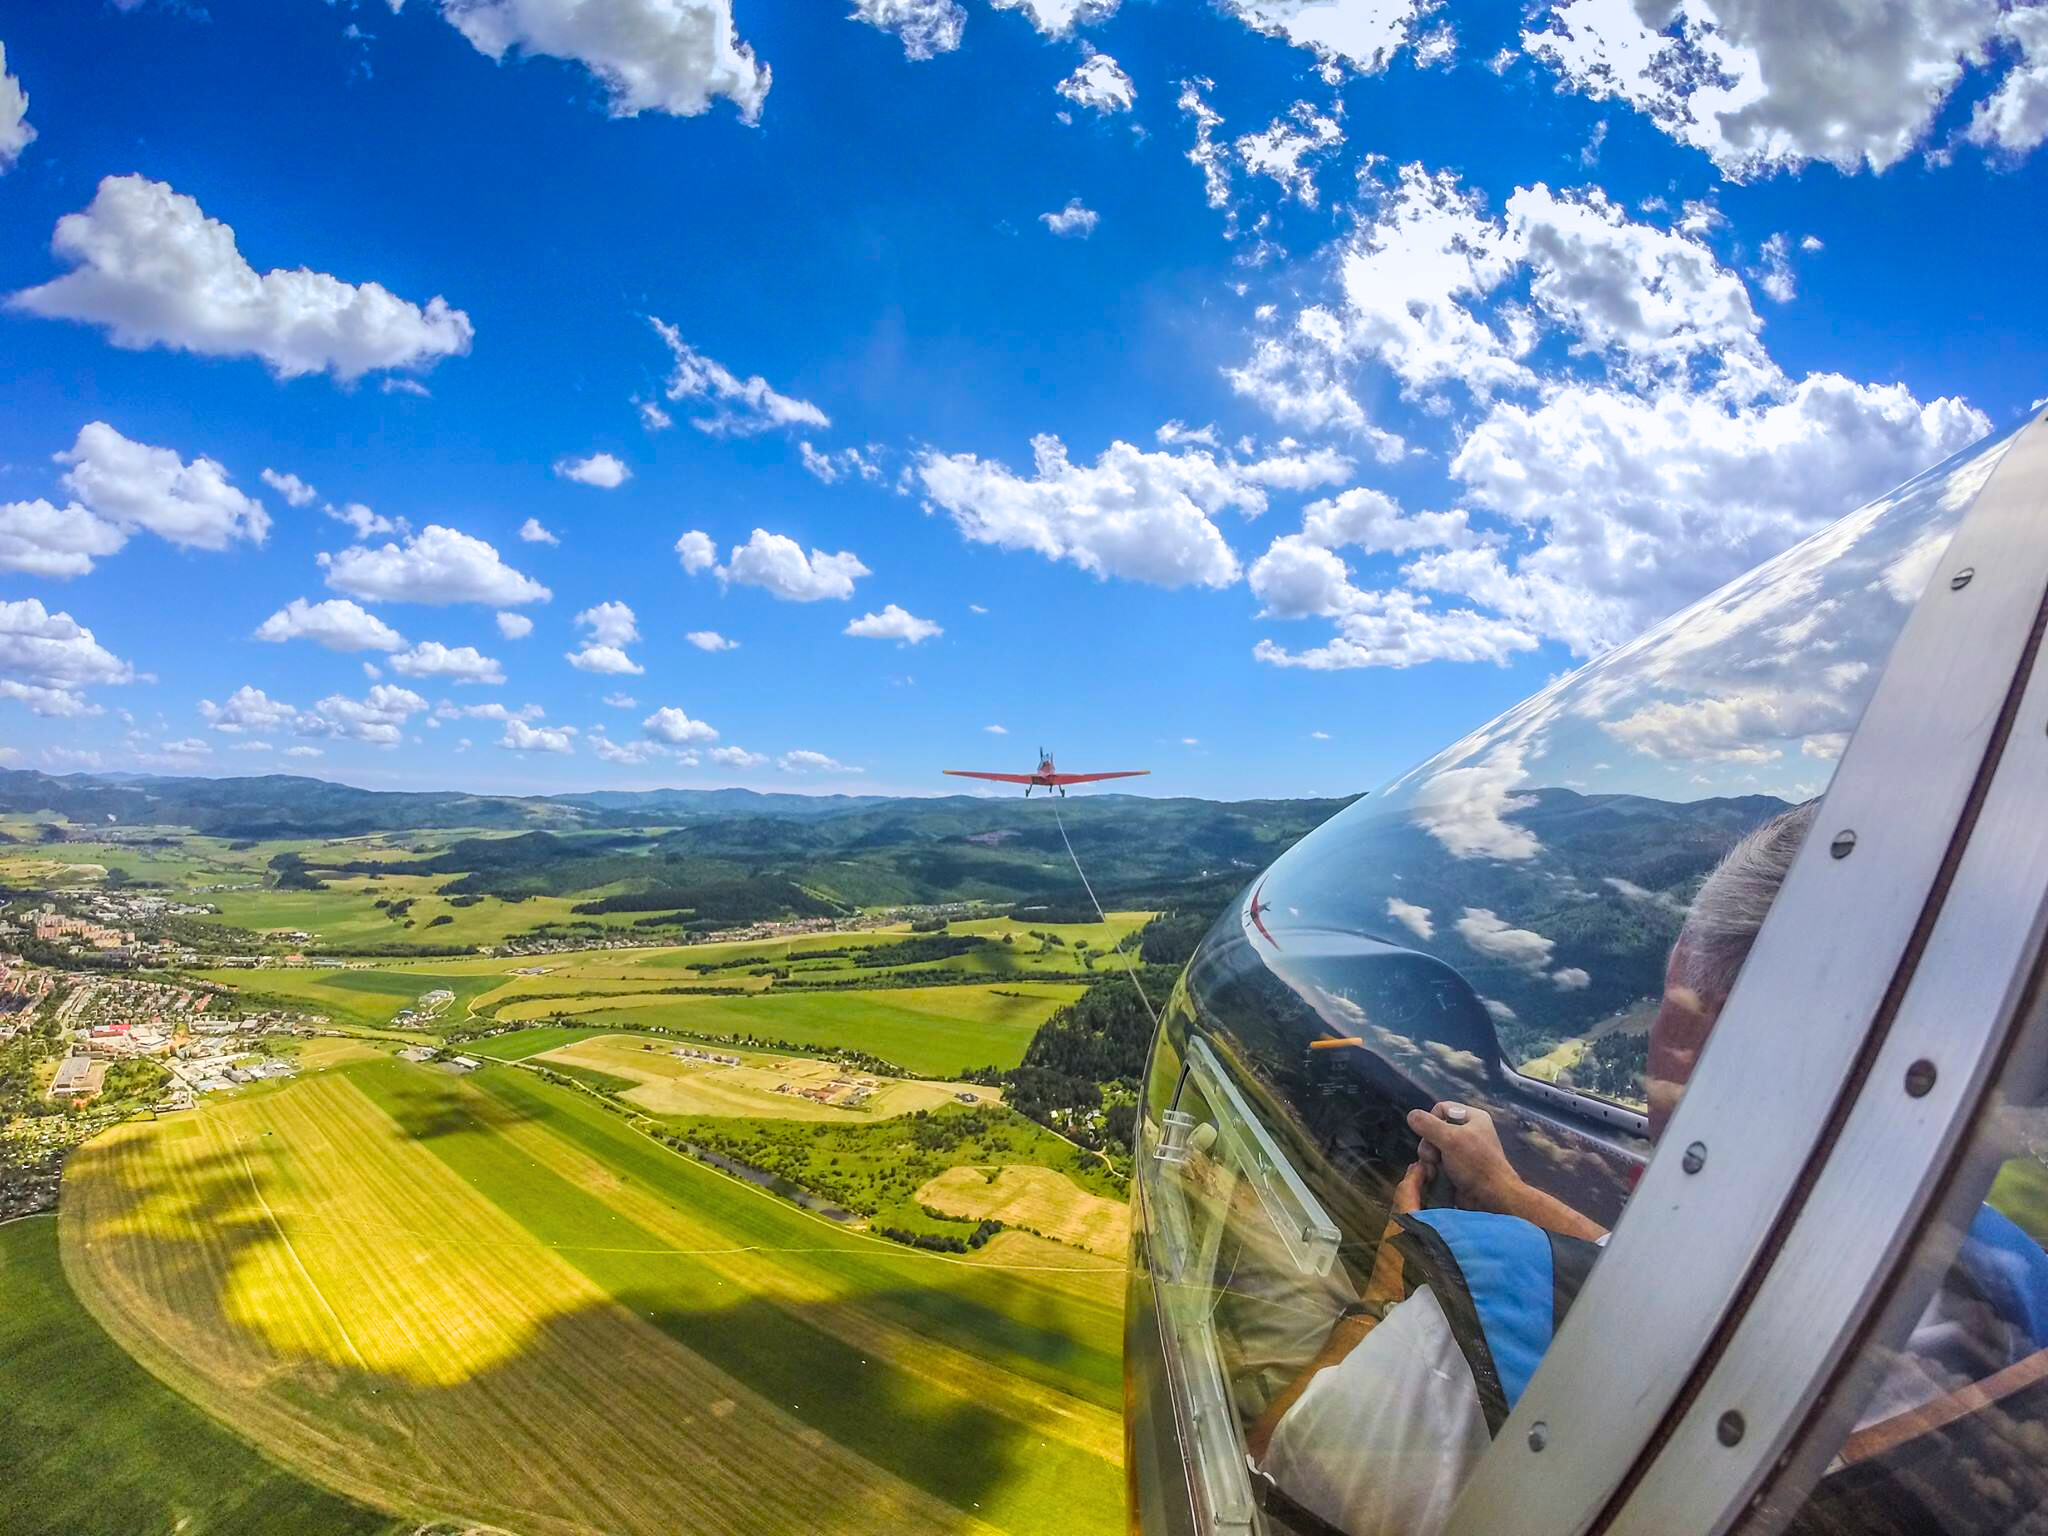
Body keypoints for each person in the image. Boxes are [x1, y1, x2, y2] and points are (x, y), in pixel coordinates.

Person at [1248, 803, 2048, 1536]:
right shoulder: (2006, 1291)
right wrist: (1511, 1196)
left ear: (1714, 1020)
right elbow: (1719, 1309)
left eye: (1676, 995)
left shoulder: (1456, 1364)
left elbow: (1273, 1460)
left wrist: (1384, 1288)